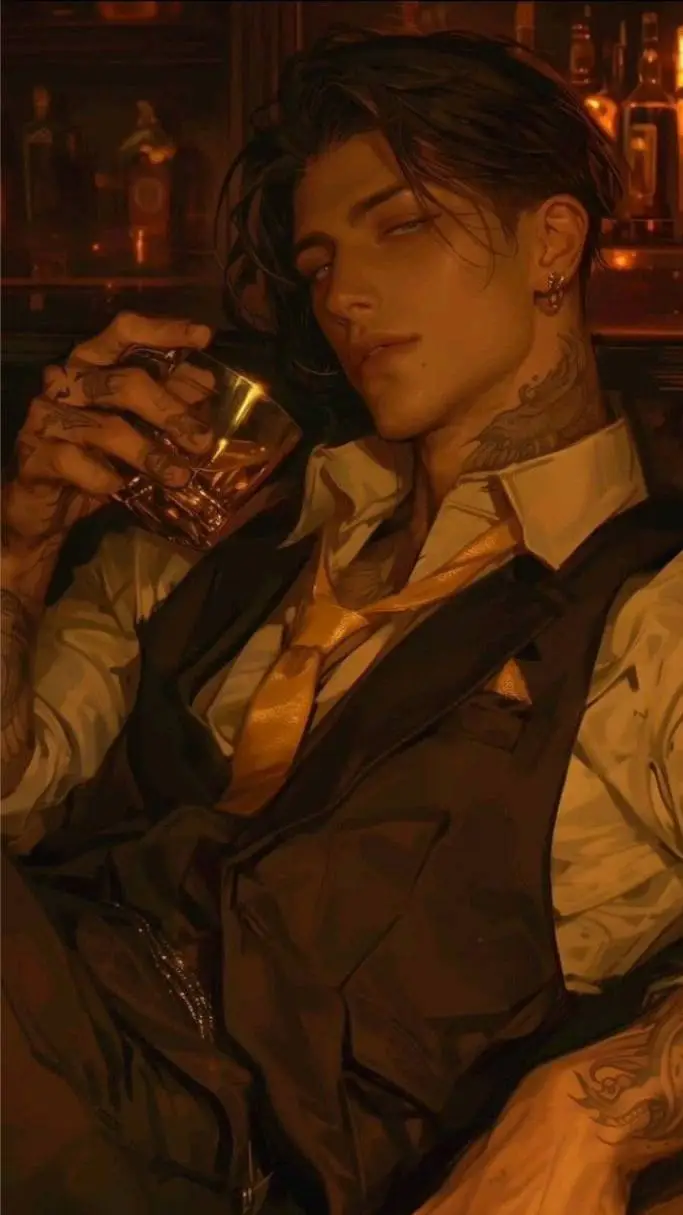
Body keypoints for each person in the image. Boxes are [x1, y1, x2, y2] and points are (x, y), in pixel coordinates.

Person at [2, 26, 682, 1215]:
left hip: (217, 1162)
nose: (344, 298)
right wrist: (24, 545)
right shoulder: (232, 521)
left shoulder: (650, 608)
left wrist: (591, 1110)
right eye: (317, 263)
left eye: (401, 225)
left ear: (550, 243)